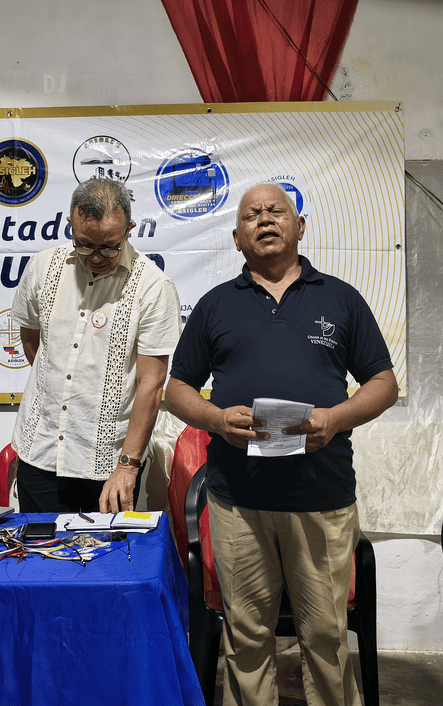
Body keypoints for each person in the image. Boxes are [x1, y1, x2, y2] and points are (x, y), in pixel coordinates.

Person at [165, 183, 398, 706]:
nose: (265, 219)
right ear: (237, 238)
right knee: (246, 638)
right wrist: (216, 420)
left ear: (300, 227)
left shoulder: (340, 298)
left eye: (277, 211)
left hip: (321, 498)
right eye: (252, 214)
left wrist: (335, 419)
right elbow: (176, 389)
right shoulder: (216, 305)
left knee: (326, 638)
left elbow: (384, 383)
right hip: (237, 502)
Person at [10, 177, 181, 513]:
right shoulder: (42, 267)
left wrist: (128, 467)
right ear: (70, 225)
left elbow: (151, 384)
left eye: (110, 246)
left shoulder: (153, 287)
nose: (97, 257)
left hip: (108, 466)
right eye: (85, 244)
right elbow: (34, 343)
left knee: (104, 549)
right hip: (39, 452)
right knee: (40, 548)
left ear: (129, 229)